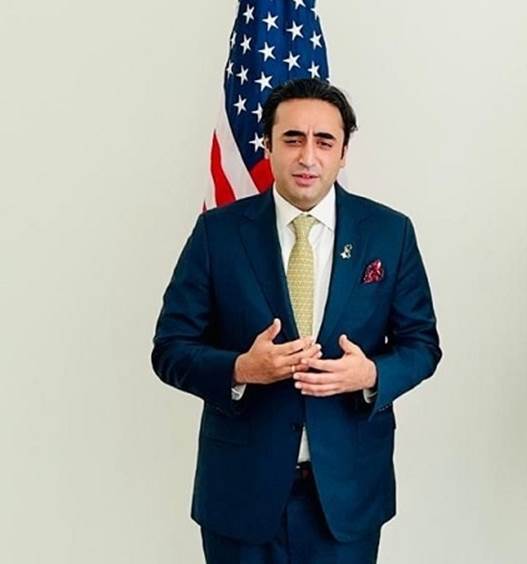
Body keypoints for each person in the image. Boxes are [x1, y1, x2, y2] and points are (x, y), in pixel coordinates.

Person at [152, 78, 441, 563]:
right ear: (267, 145)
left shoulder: (390, 233)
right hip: (240, 498)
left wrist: (371, 374)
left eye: (324, 141)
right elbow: (170, 348)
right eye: (292, 139)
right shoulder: (217, 234)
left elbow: (422, 345)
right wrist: (242, 369)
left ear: (344, 151)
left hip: (346, 499)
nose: (308, 156)